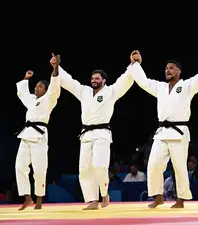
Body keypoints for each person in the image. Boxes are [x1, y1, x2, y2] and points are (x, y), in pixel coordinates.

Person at [128, 44, 198, 208]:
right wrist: (135, 64)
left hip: (179, 132)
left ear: (179, 72)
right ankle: (158, 196)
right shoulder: (160, 87)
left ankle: (181, 200)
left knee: (179, 167)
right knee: (153, 164)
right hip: (162, 132)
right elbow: (143, 82)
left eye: (171, 68)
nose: (168, 70)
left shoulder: (187, 86)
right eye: (166, 68)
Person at [51, 53, 135, 210]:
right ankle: (92, 200)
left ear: (103, 80)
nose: (93, 81)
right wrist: (56, 66)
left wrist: (133, 65)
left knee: (99, 165)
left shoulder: (111, 91)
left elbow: (125, 80)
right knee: (84, 169)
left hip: (102, 133)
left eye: (97, 78)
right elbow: (68, 81)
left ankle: (104, 194)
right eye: (92, 78)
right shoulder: (84, 91)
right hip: (86, 135)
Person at [15, 54, 61, 210]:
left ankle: (39, 199)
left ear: (46, 89)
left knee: (40, 169)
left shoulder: (49, 99)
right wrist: (26, 79)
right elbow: (22, 94)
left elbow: (55, 87)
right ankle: (27, 198)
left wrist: (55, 67)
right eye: (36, 86)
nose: (36, 87)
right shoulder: (32, 100)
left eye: (40, 86)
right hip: (26, 134)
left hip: (39, 135)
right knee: (20, 166)